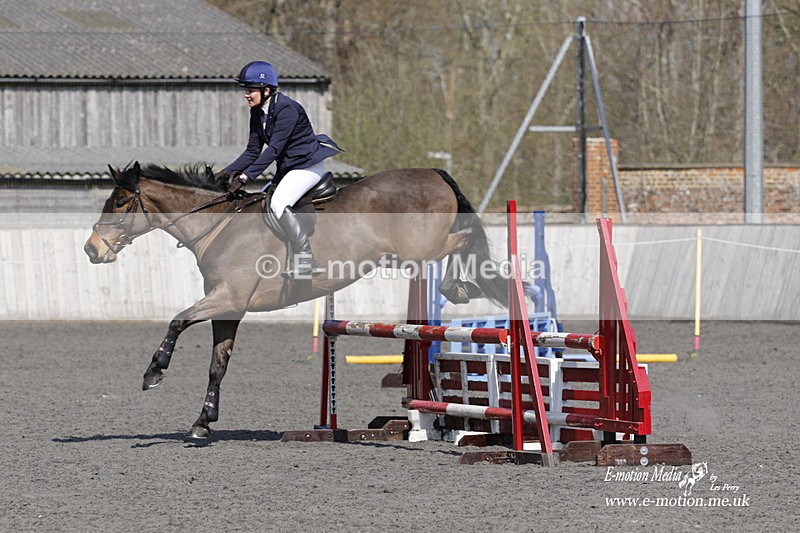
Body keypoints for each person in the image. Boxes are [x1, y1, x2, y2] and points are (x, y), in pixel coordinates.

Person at [216, 61, 342, 278]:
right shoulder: (257, 112)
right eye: (245, 90)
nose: (246, 95)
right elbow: (252, 151)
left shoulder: (287, 109)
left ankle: (306, 259)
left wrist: (247, 176)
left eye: (251, 90)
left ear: (266, 90)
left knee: (278, 203)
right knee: (262, 202)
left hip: (307, 166)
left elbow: (273, 150)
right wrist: (224, 173)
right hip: (289, 168)